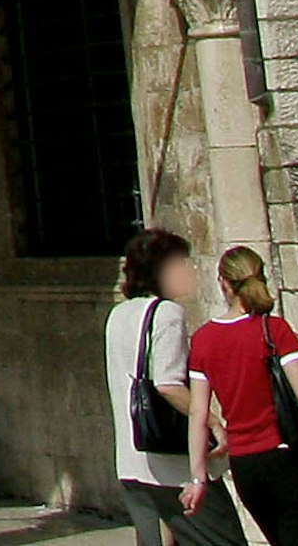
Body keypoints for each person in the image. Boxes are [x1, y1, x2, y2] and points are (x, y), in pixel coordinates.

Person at [106, 231, 242, 546]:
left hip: (132, 460)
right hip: (171, 466)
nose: (190, 271)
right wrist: (213, 423)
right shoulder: (166, 314)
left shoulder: (118, 314)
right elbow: (167, 385)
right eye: (181, 263)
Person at [189, 246, 298, 546]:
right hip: (287, 458)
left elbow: (197, 414)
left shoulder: (203, 340)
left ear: (224, 284)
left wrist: (198, 478)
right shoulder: (275, 330)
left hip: (245, 465)